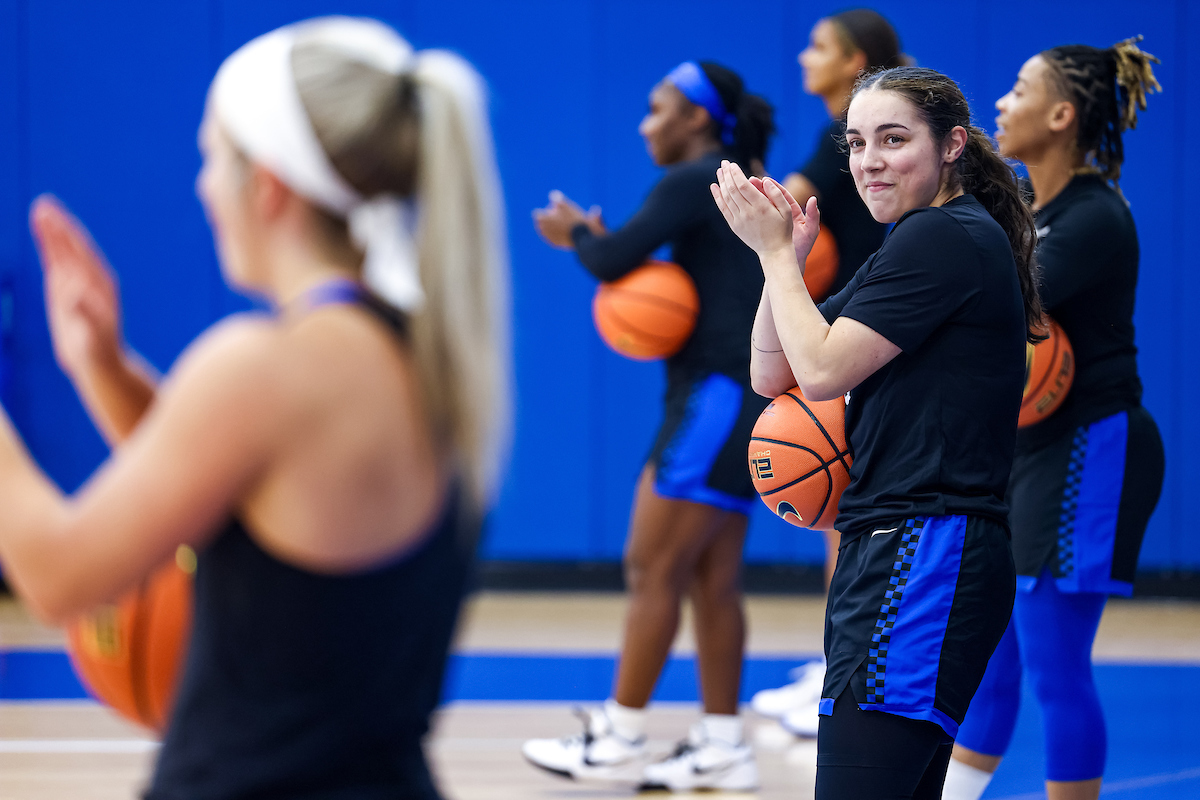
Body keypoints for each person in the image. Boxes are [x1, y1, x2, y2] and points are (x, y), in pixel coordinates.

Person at [0, 17, 509, 799]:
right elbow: (252, 495)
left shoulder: (270, 366)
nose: (203, 186)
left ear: (268, 184)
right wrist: (101, 365)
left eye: (211, 157)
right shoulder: (420, 353)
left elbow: (58, 578)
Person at [713, 65, 1041, 798]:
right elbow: (777, 374)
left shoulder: (944, 238)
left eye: (893, 139)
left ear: (952, 143)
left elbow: (823, 371)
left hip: (925, 550)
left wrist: (770, 256)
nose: (870, 160)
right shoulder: (919, 239)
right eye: (857, 142)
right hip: (903, 546)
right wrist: (786, 266)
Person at [521, 61, 773, 792]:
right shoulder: (736, 181)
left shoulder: (693, 178)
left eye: (657, 108)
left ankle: (619, 738)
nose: (644, 123)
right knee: (711, 580)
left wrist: (575, 233)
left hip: (714, 399)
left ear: (696, 118)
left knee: (651, 566)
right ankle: (724, 745)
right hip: (750, 398)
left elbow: (613, 259)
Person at [942, 38, 1165, 800]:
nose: (1001, 102)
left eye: (1019, 89)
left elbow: (995, 297)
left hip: (1091, 448)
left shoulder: (1095, 216)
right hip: (1034, 448)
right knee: (993, 652)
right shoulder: (1040, 206)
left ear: (1062, 115)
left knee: (1053, 660)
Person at [751, 6, 907, 739]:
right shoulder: (838, 131)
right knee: (834, 509)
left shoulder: (835, 132)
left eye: (819, 46)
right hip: (841, 319)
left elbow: (780, 203)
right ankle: (836, 660)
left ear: (854, 63)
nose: (804, 57)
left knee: (841, 508)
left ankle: (847, 662)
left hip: (852, 333)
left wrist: (745, 211)